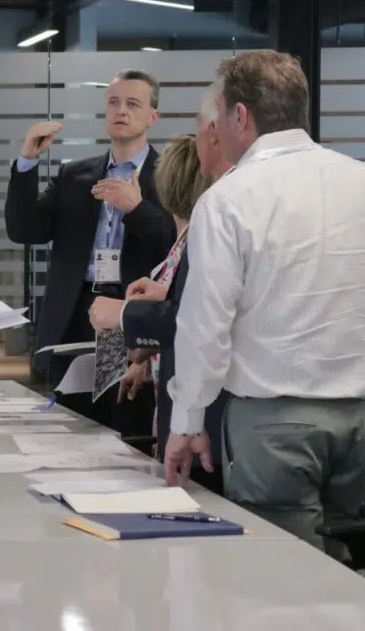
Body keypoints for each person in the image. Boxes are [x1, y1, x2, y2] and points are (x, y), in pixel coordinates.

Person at [164, 49, 365, 549]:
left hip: (275, 424)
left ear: (240, 115)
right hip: (362, 422)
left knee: (281, 575)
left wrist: (187, 421)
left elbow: (206, 324)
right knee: (335, 561)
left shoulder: (228, 199)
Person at [4, 69, 175, 432]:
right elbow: (25, 230)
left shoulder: (169, 177)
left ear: (153, 116)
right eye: (114, 102)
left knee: (124, 423)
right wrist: (27, 162)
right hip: (75, 312)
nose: (121, 111)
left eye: (133, 104)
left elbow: (177, 247)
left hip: (129, 313)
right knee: (67, 426)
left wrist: (137, 209)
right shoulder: (75, 176)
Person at [88, 90, 233, 492]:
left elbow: (197, 319)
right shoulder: (188, 241)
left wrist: (126, 315)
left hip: (200, 415)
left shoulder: (202, 236)